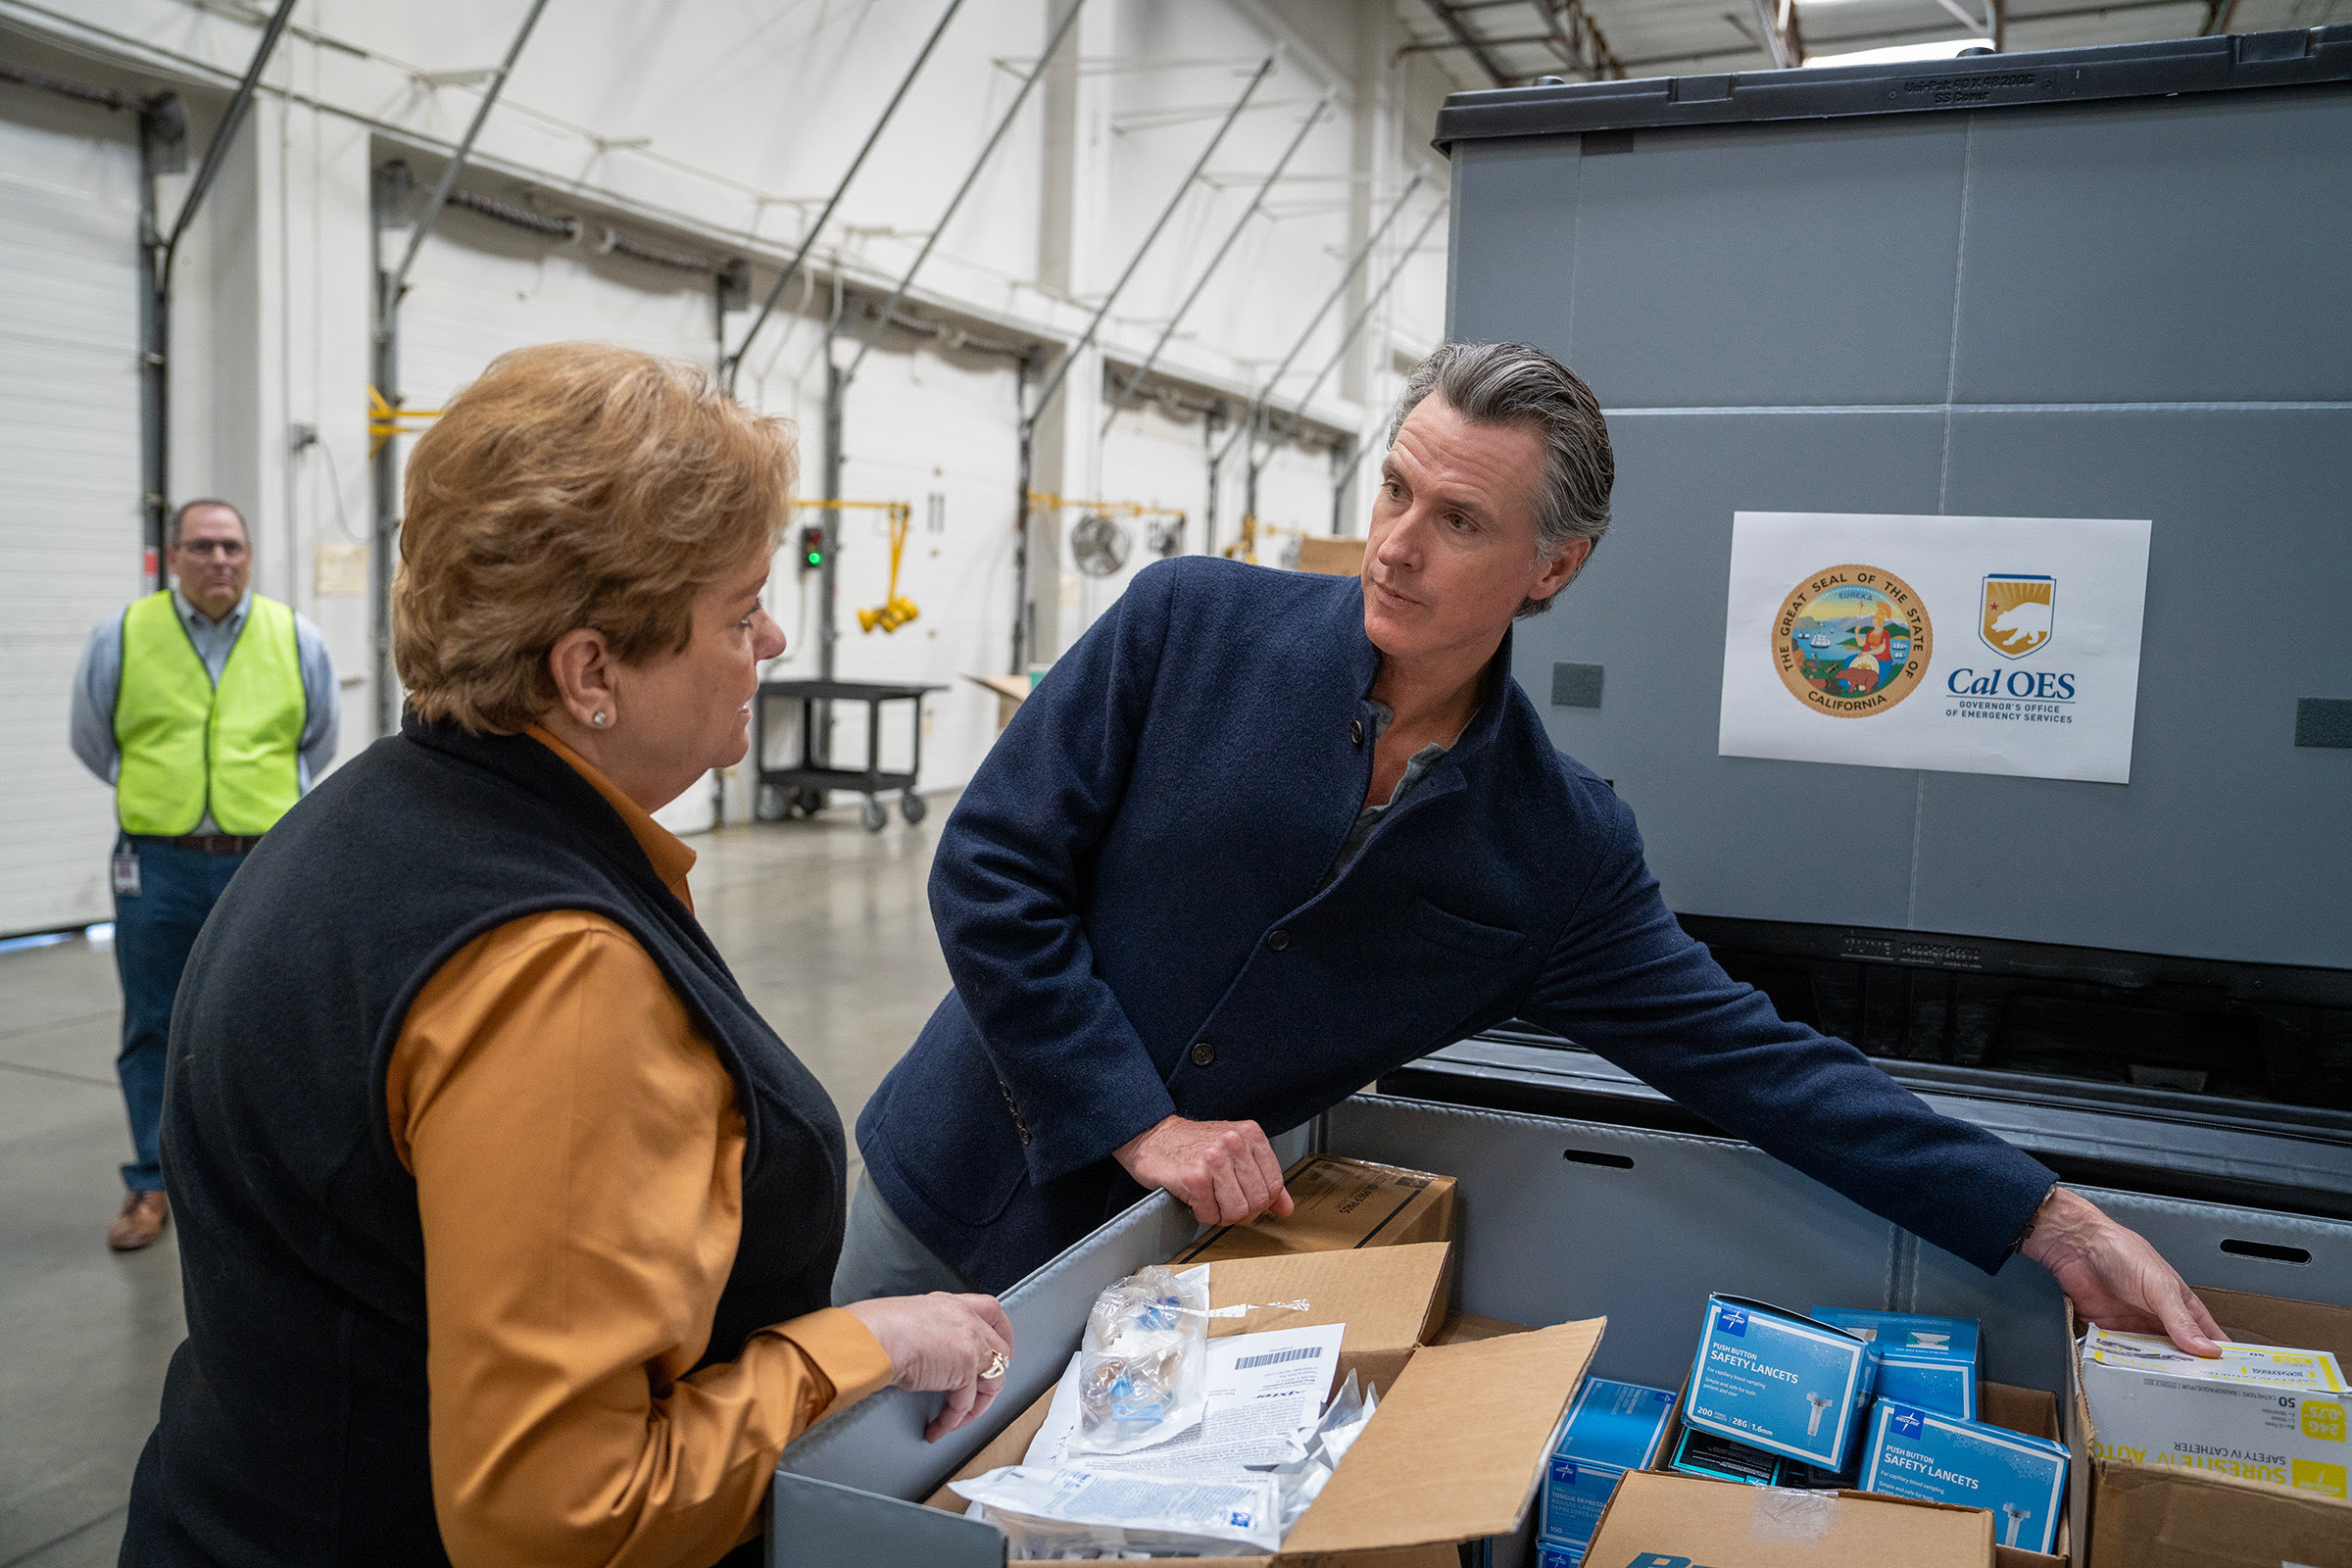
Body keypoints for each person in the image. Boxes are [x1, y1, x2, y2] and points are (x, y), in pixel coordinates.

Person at [843, 341, 2225, 1361]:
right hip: (945, 1193)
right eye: (1394, 491)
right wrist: (1136, 1118)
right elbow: (992, 872)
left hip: (1156, 1283)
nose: (1393, 547)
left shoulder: (1555, 850)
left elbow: (1763, 1066)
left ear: (1552, 568)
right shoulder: (1182, 627)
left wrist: (2050, 1220)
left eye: (1458, 522)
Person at [121, 343, 1012, 1568]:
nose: (774, 635)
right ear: (590, 670)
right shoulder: (555, 971)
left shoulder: (370, 818)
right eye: (737, 608)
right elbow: (563, 1512)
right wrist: (862, 1346)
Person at [69, 498, 338, 1251]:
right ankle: (151, 1184)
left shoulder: (296, 637)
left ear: (249, 556)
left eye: (232, 547)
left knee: (272, 1022)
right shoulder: (121, 637)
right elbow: (93, 739)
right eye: (202, 547)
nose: (219, 559)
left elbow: (316, 741)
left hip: (266, 862)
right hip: (157, 863)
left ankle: (269, 1179)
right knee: (153, 1021)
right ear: (173, 555)